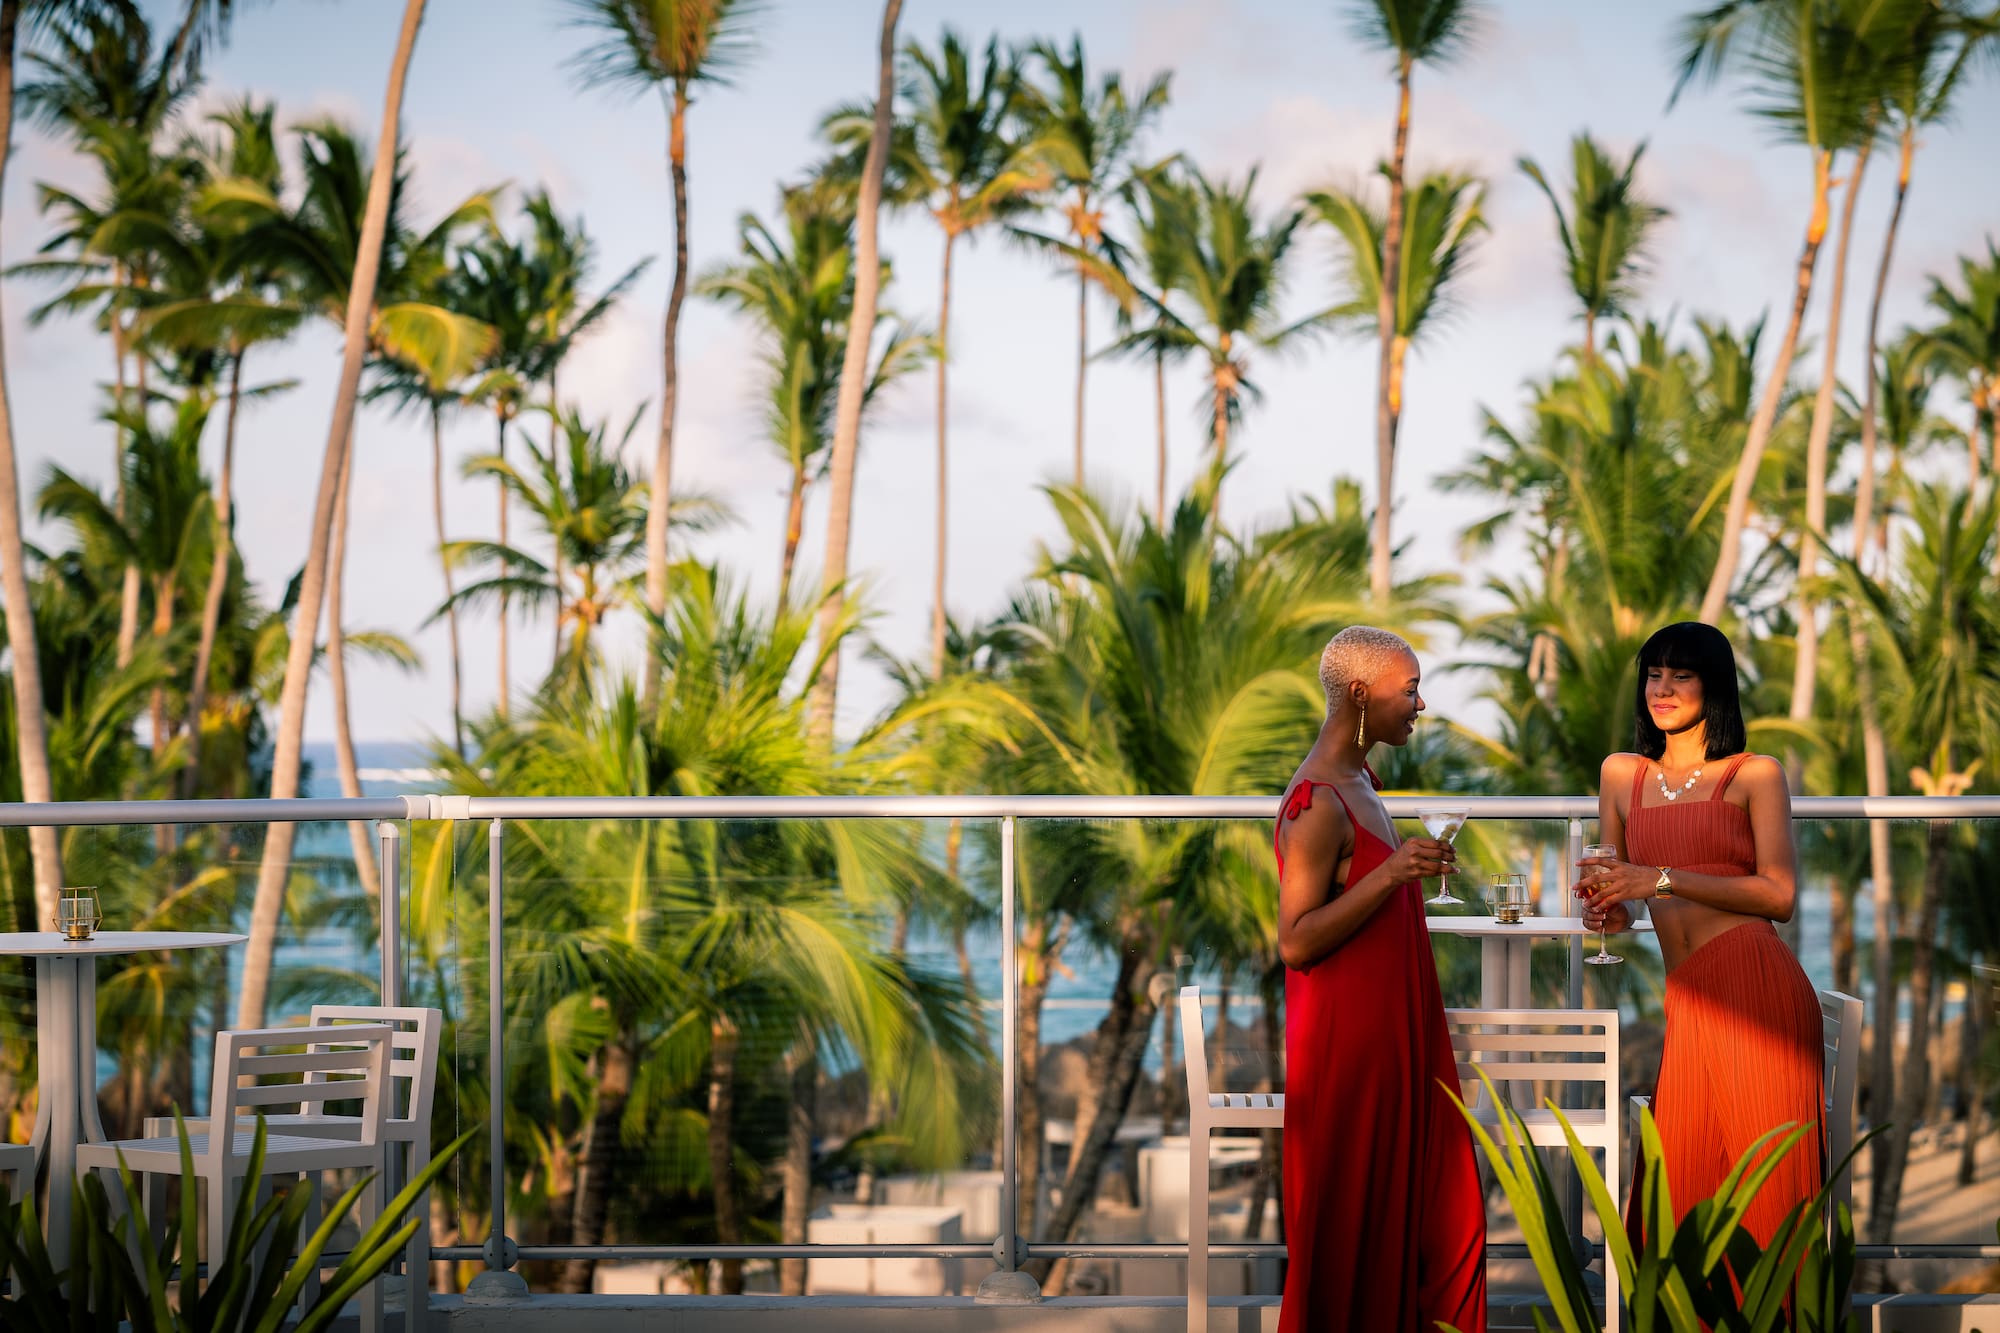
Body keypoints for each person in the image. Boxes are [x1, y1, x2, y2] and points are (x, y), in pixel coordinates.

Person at [1578, 620, 1824, 1250]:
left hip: (1756, 991)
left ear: (1712, 686)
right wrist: (1608, 912)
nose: (1662, 689)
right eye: (1653, 675)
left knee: (1760, 1190)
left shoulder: (1755, 774)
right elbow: (1625, 899)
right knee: (1684, 1185)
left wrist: (1656, 878)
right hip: (1688, 998)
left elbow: (1779, 895)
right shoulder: (1620, 775)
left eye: (1680, 675)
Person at [1273, 625, 1486, 1332]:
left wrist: (1403, 869)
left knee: (1433, 1206)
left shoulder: (1362, 779)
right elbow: (1296, 942)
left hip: (1396, 1035)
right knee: (1354, 1222)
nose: (1421, 704)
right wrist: (1393, 873)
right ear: (1360, 695)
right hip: (1351, 1049)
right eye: (1411, 689)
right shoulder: (1317, 804)